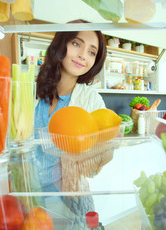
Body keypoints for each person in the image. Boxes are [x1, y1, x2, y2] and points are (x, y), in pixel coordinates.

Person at [33, 27, 109, 227]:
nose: (83, 56)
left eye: (92, 52)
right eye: (76, 44)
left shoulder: (92, 100)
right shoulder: (30, 92)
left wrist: (100, 151)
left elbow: (94, 168)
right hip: (28, 195)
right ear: (61, 45)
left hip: (69, 200)